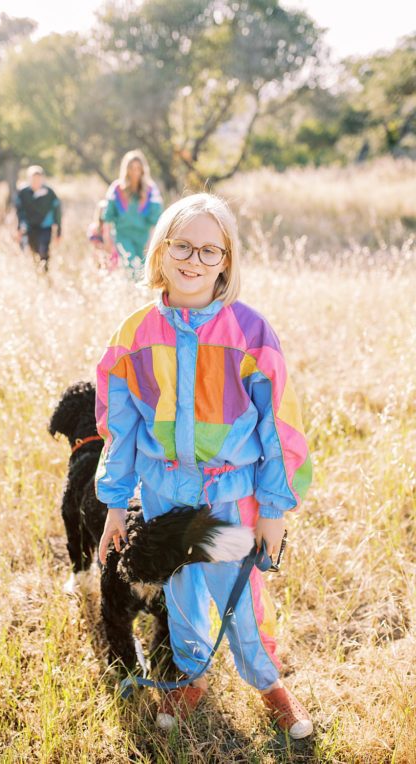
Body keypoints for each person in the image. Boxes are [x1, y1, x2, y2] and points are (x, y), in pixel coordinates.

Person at [94, 193, 314, 738]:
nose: (194, 260)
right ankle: (192, 675)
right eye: (182, 246)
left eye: (209, 250)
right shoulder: (133, 334)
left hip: (229, 497)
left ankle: (268, 684)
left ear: (227, 261)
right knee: (183, 593)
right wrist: (115, 506)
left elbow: (278, 425)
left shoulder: (248, 332)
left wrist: (273, 508)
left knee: (238, 594)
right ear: (161, 250)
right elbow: (119, 430)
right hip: (166, 493)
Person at [102, 149, 163, 277]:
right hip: (123, 235)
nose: (135, 171)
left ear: (143, 170)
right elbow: (108, 215)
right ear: (126, 169)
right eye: (131, 168)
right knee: (131, 266)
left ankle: (140, 294)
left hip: (144, 237)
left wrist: (152, 241)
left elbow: (156, 218)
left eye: (138, 168)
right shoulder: (116, 188)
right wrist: (107, 237)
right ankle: (133, 291)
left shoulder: (151, 189)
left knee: (144, 269)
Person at [14, 165, 62, 269]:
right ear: (29, 179)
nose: (36, 181)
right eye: (33, 179)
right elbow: (19, 210)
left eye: (38, 179)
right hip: (30, 226)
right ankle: (37, 269)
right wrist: (19, 227)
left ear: (42, 179)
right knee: (33, 250)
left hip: (45, 226)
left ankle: (45, 270)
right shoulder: (23, 192)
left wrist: (59, 230)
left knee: (43, 248)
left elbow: (57, 210)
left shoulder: (49, 192)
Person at [87, 199, 118, 271]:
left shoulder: (114, 227)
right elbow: (94, 245)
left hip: (112, 256)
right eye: (102, 210)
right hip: (99, 256)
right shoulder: (94, 227)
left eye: (106, 210)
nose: (105, 213)